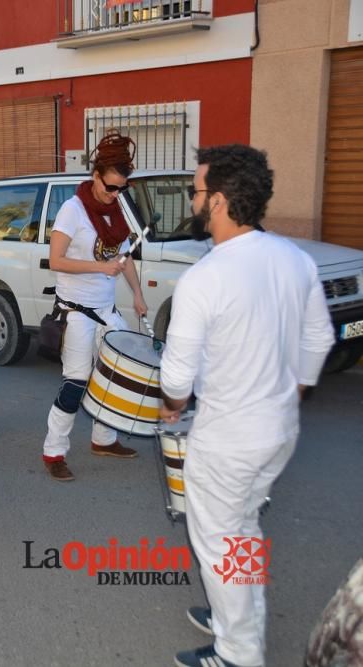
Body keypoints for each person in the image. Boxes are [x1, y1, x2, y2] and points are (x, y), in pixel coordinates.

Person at [159, 145, 334, 667]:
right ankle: (236, 613)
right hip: (279, 430)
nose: (192, 200)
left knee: (217, 541)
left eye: (195, 191)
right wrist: (290, 393)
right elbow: (319, 341)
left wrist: (173, 406)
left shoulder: (204, 277)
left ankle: (238, 652)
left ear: (216, 201)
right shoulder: (295, 259)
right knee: (244, 528)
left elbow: (175, 377)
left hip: (228, 439)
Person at [39, 129, 148, 482]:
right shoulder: (72, 211)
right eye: (109, 187)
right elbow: (55, 259)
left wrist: (137, 294)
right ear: (95, 175)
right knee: (76, 381)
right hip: (76, 312)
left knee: (114, 376)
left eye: (120, 188)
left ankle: (104, 439)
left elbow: (124, 256)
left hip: (107, 310)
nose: (115, 194)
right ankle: (54, 451)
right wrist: (100, 267)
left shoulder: (117, 211)